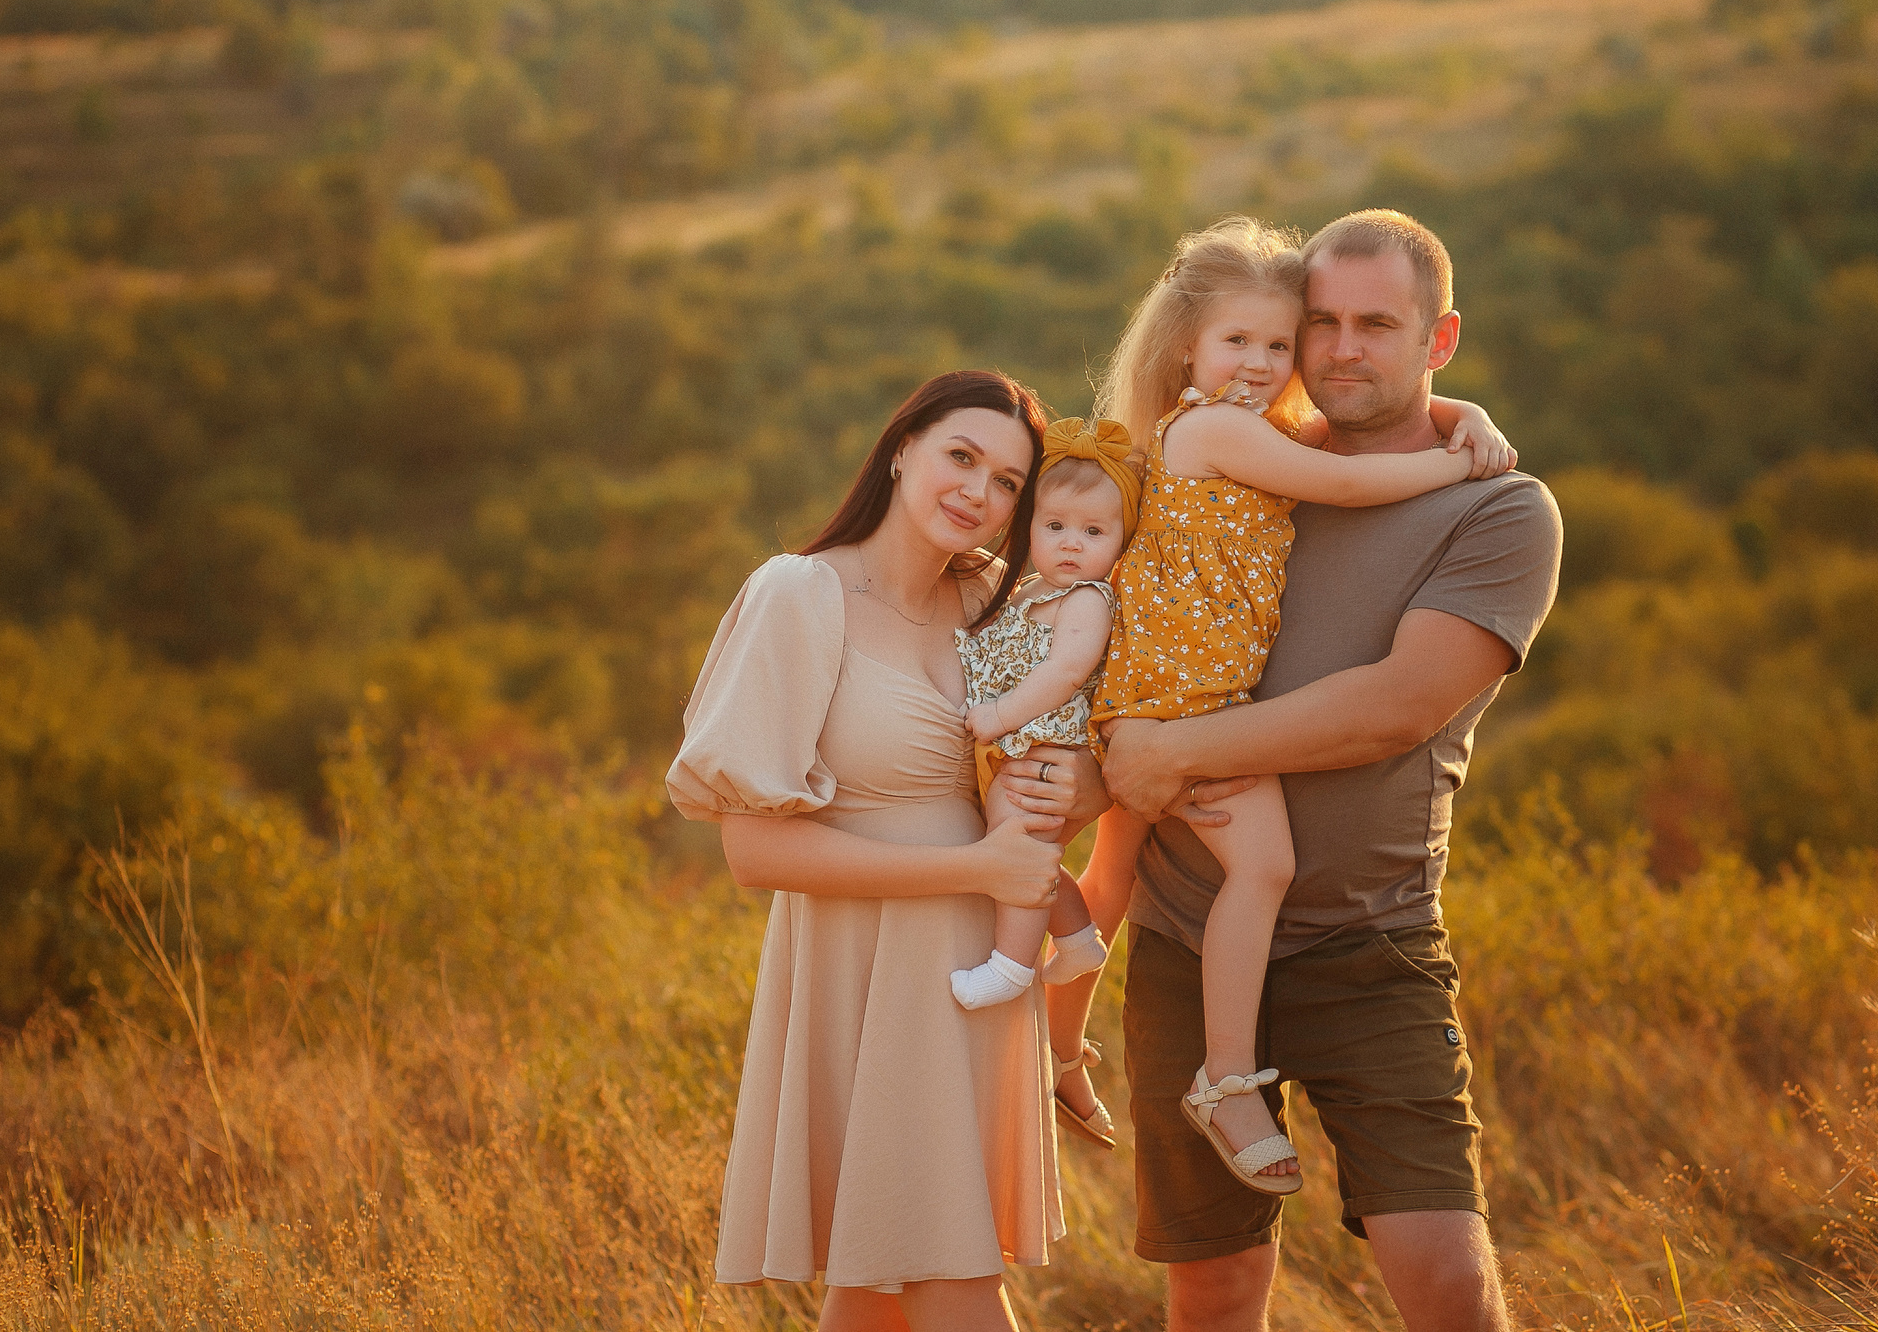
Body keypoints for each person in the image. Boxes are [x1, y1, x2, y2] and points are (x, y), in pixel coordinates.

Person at [1093, 210, 1564, 1332]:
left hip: (1373, 945)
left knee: (1446, 1285)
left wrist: (1165, 754)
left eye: (1377, 325)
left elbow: (1393, 710)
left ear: (1437, 338)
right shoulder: (1258, 465)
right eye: (1320, 324)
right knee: (1211, 1288)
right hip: (1186, 941)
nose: (1342, 348)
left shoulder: (1495, 507)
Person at [667, 369, 1105, 1332]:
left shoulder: (999, 599)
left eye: (1005, 482)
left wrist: (1080, 790)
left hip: (978, 966)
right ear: (902, 447)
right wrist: (973, 869)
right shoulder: (799, 594)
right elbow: (752, 849)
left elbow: (1077, 752)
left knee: (873, 1291)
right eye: (961, 457)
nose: (978, 493)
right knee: (949, 1282)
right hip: (863, 965)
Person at [946, 418, 1137, 1022]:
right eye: (1054, 527)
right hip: (1020, 742)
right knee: (1034, 843)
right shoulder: (1028, 592)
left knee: (1017, 839)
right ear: (1029, 527)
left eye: (1092, 531)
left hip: (1045, 738)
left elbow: (1063, 673)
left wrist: (998, 715)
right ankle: (1079, 941)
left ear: (1121, 541)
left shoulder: (1089, 600)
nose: (1071, 544)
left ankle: (1012, 963)